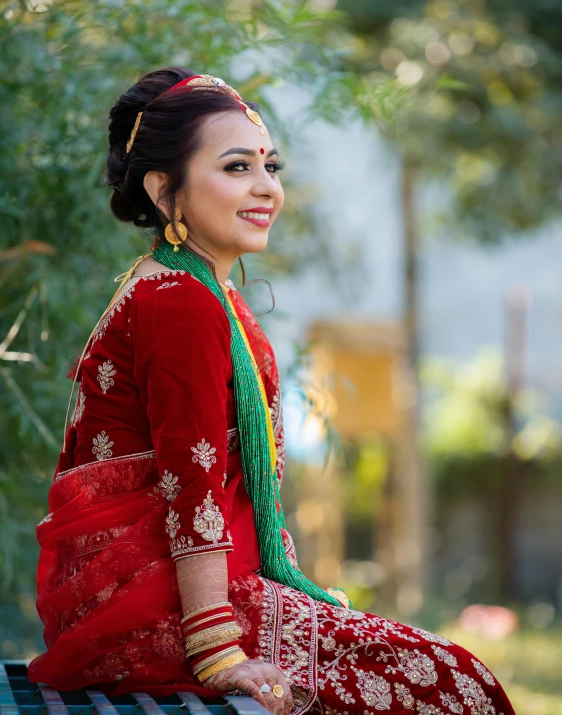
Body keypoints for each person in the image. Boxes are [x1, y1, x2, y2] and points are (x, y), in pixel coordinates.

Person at [28, 67, 515, 715]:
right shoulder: (178, 301)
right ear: (164, 189)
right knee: (450, 685)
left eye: (271, 166)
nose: (266, 189)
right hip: (153, 608)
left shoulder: (201, 290)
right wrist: (219, 652)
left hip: (163, 591)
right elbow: (190, 483)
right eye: (236, 168)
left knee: (447, 675)